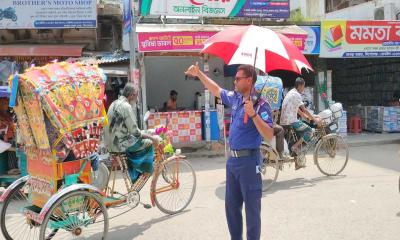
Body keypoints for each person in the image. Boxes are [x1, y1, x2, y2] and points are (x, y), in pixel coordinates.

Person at [185, 63, 274, 240]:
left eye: (238, 79)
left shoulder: (261, 105)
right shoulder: (235, 98)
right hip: (232, 162)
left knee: (252, 209)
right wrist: (199, 74)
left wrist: (254, 115)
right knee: (231, 207)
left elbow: (269, 134)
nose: (234, 81)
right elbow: (216, 89)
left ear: (249, 80)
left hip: (249, 162)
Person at [104, 83, 161, 182]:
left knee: (141, 138)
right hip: (119, 145)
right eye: (136, 95)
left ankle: (135, 171)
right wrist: (152, 138)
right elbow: (135, 132)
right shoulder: (126, 107)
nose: (137, 98)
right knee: (149, 143)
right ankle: (141, 173)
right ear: (131, 95)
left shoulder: (114, 103)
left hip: (110, 144)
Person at [280, 77, 319, 169]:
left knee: (301, 131)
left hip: (285, 120)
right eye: (303, 86)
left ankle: (298, 160)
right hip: (290, 120)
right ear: (300, 85)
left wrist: (305, 116)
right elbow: (304, 109)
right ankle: (295, 147)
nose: (304, 88)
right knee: (309, 131)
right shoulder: (296, 95)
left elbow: (296, 108)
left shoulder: (291, 92)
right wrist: (314, 119)